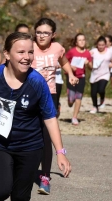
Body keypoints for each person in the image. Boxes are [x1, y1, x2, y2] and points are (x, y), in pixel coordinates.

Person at [0, 32, 71, 201]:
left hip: (30, 147)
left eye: (30, 52)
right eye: (21, 52)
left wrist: (60, 152)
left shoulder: (37, 82)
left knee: (20, 197)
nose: (27, 57)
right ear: (7, 54)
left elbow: (50, 118)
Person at [31, 18, 78, 195]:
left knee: (46, 136)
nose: (42, 36)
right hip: (28, 95)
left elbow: (64, 61)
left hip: (48, 95)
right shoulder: (29, 46)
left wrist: (71, 74)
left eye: (46, 33)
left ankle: (44, 178)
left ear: (53, 35)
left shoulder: (57, 48)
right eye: (39, 32)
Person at [65, 33, 92, 125]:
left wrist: (88, 63)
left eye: (83, 39)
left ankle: (74, 117)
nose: (82, 41)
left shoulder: (87, 53)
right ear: (76, 42)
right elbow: (64, 61)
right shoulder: (72, 52)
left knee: (79, 97)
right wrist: (71, 66)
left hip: (81, 77)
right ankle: (69, 100)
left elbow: (91, 67)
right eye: (80, 40)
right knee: (71, 100)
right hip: (71, 76)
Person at [89, 36, 112, 113]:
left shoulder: (109, 51)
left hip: (105, 74)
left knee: (101, 89)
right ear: (97, 45)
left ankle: (102, 98)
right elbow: (87, 58)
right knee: (93, 92)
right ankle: (95, 107)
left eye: (102, 45)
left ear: (105, 45)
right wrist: (89, 64)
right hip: (95, 74)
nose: (101, 47)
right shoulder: (93, 51)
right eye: (99, 45)